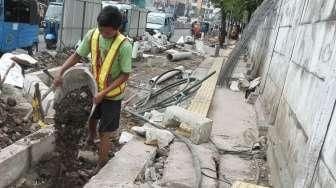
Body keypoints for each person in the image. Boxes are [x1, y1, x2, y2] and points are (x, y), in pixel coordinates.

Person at [53, 6, 132, 169]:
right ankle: (90, 138)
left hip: (112, 95)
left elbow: (125, 75)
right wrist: (61, 71)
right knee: (92, 116)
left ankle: (101, 163)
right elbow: (77, 55)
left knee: (105, 130)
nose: (103, 34)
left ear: (117, 29)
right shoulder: (93, 35)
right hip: (94, 87)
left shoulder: (124, 45)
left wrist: (104, 93)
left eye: (107, 32)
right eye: (101, 30)